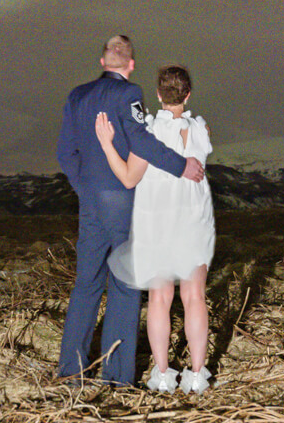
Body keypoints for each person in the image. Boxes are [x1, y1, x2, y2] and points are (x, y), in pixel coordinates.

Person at [56, 36, 205, 386]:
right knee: (124, 288)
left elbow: (65, 152)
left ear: (102, 61)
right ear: (131, 65)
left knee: (86, 285)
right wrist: (181, 165)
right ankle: (117, 376)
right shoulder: (129, 94)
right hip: (125, 204)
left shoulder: (77, 96)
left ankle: (71, 371)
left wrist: (84, 188)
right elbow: (140, 140)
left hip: (91, 203)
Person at [94, 64, 215, 394]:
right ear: (188, 94)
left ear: (159, 95)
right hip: (195, 221)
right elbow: (198, 136)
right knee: (194, 296)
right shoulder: (202, 129)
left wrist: (106, 144)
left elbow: (128, 177)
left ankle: (162, 374)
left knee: (160, 299)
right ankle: (197, 375)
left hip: (158, 222)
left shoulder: (146, 133)